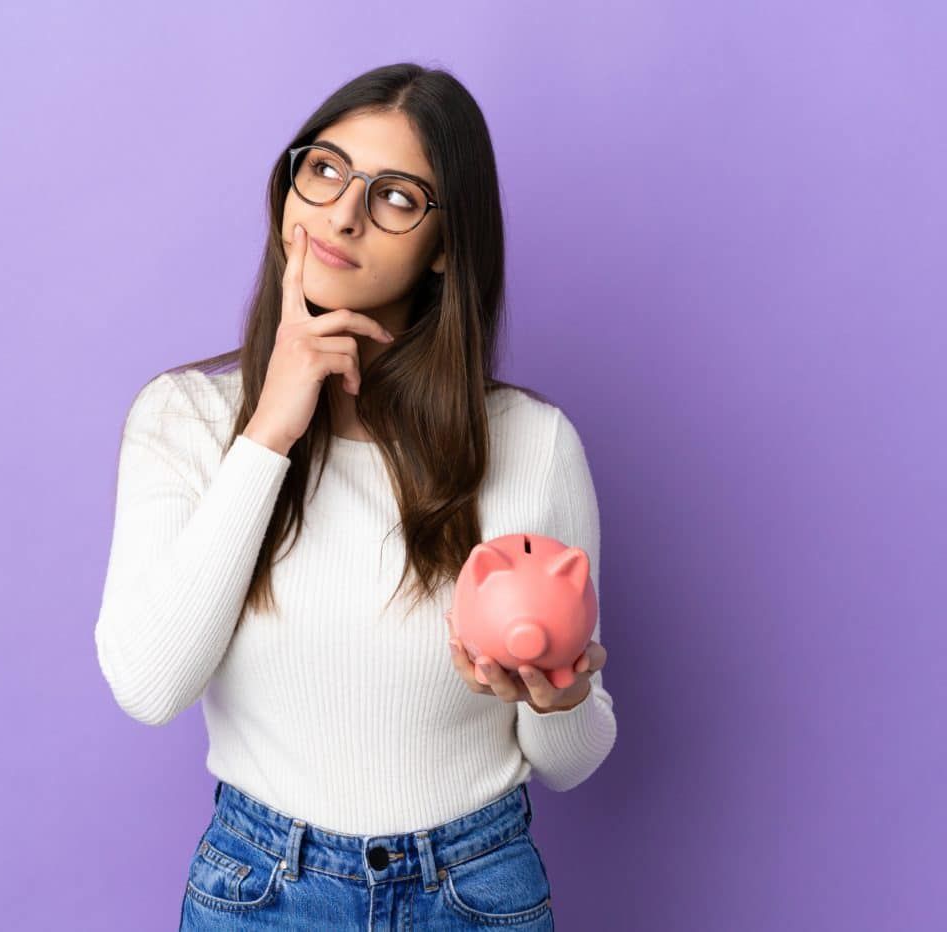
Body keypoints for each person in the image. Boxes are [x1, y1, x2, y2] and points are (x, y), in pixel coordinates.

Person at [93, 62, 616, 930]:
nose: (341, 213)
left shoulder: (531, 444)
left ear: (445, 247)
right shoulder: (182, 420)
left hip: (473, 891)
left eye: (397, 197)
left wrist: (558, 699)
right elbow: (149, 686)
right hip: (262, 892)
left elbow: (571, 759)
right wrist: (269, 431)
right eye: (325, 169)